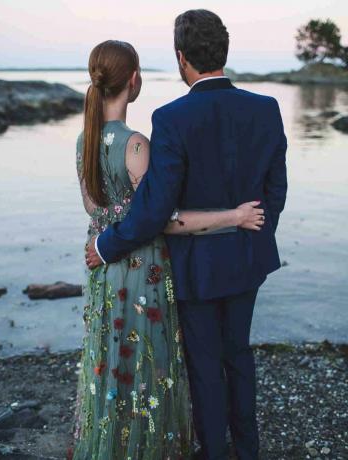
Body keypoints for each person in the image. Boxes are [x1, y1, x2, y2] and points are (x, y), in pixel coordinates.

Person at [85, 9, 288, 460]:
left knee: (204, 362)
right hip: (248, 256)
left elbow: (155, 209)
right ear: (224, 52)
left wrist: (105, 245)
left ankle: (216, 450)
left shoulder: (172, 117)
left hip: (195, 264)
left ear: (181, 59)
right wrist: (254, 231)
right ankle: (248, 450)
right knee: (238, 352)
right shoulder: (266, 107)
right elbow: (277, 189)